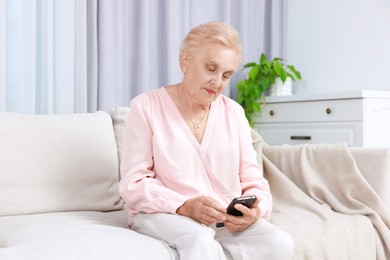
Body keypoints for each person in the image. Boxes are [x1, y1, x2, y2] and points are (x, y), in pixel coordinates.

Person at [119, 21, 294, 260]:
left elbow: (254, 180)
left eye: (226, 75)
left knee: (279, 242)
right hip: (163, 213)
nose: (218, 82)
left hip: (222, 218)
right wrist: (184, 205)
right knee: (200, 241)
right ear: (185, 62)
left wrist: (256, 209)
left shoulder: (233, 112)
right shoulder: (146, 106)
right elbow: (134, 182)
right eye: (211, 69)